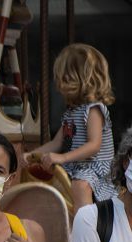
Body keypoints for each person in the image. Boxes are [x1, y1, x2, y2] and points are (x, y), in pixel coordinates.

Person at [24, 44, 116, 210]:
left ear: (78, 79)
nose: (58, 84)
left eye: (62, 78)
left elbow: (94, 146)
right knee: (46, 179)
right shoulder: (71, 113)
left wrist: (63, 158)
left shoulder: (94, 109)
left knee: (80, 185)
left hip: (94, 167)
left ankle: (87, 228)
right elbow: (57, 143)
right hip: (76, 165)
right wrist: (33, 154)